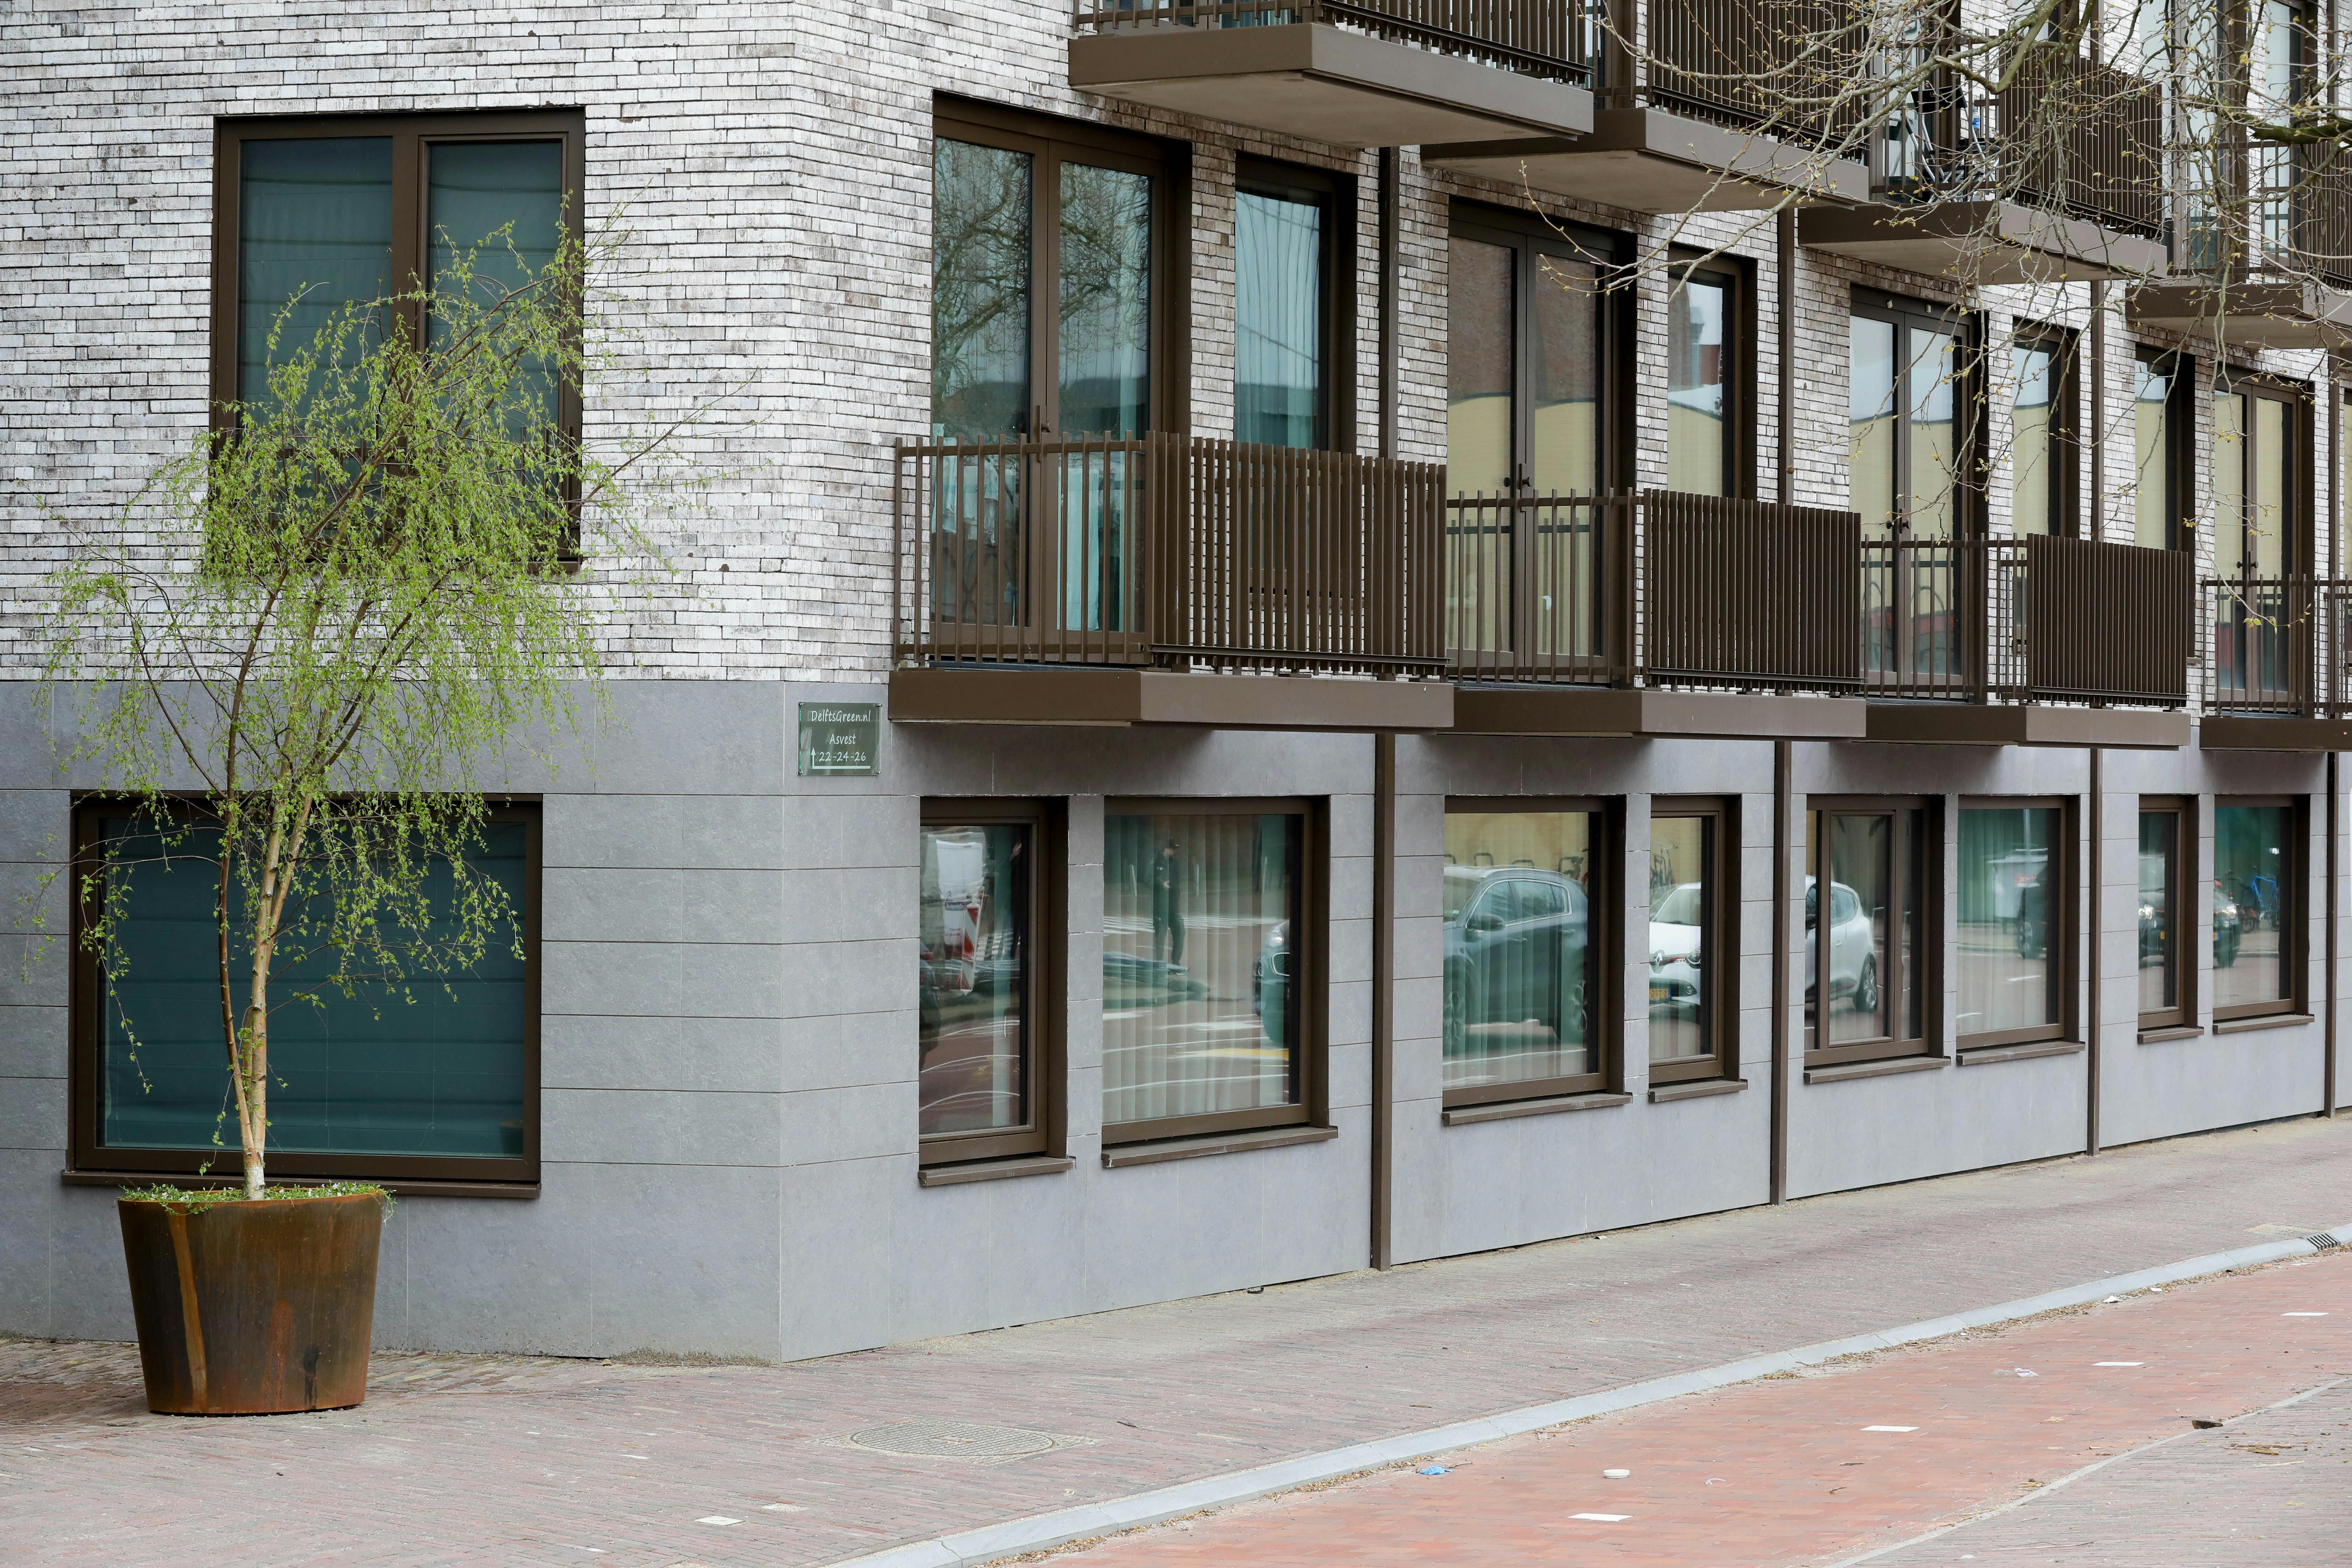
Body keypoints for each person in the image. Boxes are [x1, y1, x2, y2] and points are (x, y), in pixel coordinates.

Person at [1150, 838, 1185, 966]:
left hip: (1173, 906)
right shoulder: (1155, 862)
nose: (1173, 852)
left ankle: (1176, 963)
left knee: (1180, 931)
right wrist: (1161, 884)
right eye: (1172, 849)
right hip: (1160, 907)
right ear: (1166, 849)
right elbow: (1148, 879)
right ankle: (1159, 964)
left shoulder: (1174, 864)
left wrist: (1173, 888)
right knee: (1161, 936)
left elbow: (1177, 881)